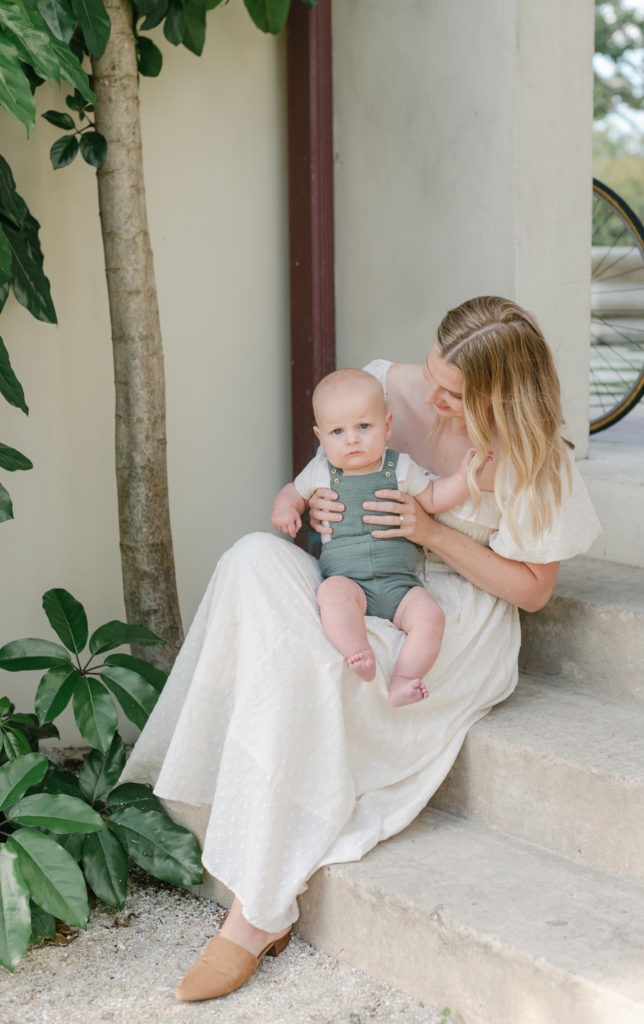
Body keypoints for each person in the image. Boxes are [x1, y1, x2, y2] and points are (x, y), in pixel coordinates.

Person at [120, 296, 601, 1003]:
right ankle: (231, 797)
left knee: (309, 663)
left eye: (455, 395)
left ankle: (256, 915)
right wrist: (314, 512)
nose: (432, 400)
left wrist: (433, 534)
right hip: (350, 578)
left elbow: (532, 592)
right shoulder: (377, 388)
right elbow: (328, 484)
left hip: (444, 613)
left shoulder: (529, 457)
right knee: (252, 557)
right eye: (434, 375)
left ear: (501, 397)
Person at [271, 367, 488, 706]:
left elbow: (433, 497)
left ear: (387, 427)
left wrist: (463, 476)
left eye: (363, 427)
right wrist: (285, 509)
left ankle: (404, 679)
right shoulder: (320, 472)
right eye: (338, 431)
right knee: (331, 594)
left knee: (430, 616)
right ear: (321, 437)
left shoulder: (399, 468)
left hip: (400, 585)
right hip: (349, 582)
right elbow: (291, 493)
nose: (352, 439)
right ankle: (358, 652)